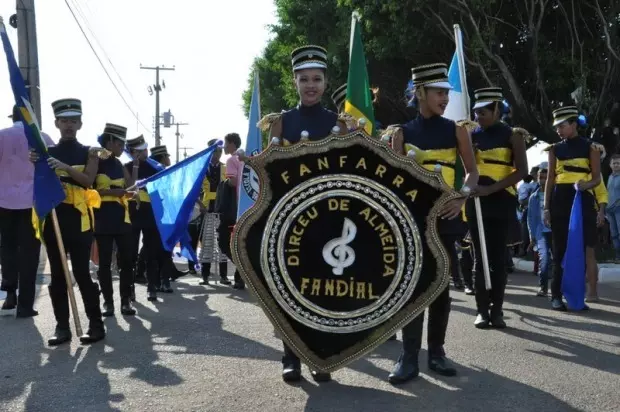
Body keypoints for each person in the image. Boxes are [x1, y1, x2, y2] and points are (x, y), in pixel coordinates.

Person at [256, 44, 347, 383]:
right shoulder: (280, 122)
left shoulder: (340, 122)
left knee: (323, 290)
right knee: (288, 290)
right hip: (288, 220)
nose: (311, 85)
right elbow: (267, 170)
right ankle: (290, 355)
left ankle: (320, 356)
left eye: (317, 79)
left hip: (328, 219)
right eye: (304, 79)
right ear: (294, 81)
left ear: (325, 82)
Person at [386, 62, 479, 384]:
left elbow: (472, 171)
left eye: (446, 92)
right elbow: (392, 179)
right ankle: (408, 357)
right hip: (411, 220)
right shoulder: (401, 132)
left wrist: (462, 196)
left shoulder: (456, 129)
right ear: (420, 93)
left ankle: (436, 353)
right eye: (439, 92)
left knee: (440, 287)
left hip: (446, 218)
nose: (444, 98)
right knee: (412, 287)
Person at [31, 98, 105, 345]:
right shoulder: (46, 153)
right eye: (64, 120)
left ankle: (96, 325)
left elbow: (87, 181)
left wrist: (63, 167)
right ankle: (62, 327)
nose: (69, 125)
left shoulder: (89, 152)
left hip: (80, 220)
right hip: (55, 219)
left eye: (73, 120)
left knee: (82, 273)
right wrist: (36, 163)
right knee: (59, 277)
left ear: (80, 123)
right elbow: (39, 183)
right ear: (56, 123)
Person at [466, 87, 528, 329]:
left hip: (501, 200)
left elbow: (522, 171)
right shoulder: (471, 135)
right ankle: (482, 310)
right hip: (476, 201)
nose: (478, 116)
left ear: (496, 110)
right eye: (475, 112)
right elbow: (465, 167)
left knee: (498, 258)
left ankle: (498, 310)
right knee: (479, 257)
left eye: (482, 112)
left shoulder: (513, 135)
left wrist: (491, 189)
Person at [544, 106, 602, 311]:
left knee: (580, 248)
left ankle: (577, 296)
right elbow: (550, 178)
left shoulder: (591, 147)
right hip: (560, 200)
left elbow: (597, 178)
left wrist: (586, 185)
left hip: (582, 201)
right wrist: (546, 207)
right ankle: (556, 295)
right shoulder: (554, 149)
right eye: (556, 126)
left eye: (562, 125)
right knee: (559, 250)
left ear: (574, 125)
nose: (559, 129)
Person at [0, 106, 55, 317]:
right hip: (33, 203)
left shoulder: (2, 135)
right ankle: (25, 305)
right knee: (30, 253)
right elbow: (53, 166)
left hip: (4, 202)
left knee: (8, 247)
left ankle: (10, 290)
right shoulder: (42, 137)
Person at [93, 123, 136, 316]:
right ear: (109, 141)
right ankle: (108, 302)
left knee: (126, 261)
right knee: (104, 263)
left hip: (122, 218)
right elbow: (89, 188)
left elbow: (130, 186)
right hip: (102, 217)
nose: (122, 148)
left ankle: (125, 301)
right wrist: (112, 191)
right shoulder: (95, 160)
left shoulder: (119, 164)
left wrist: (129, 193)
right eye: (120, 144)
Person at [125, 135, 174, 301]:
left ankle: (152, 286)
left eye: (145, 149)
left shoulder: (156, 168)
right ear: (132, 152)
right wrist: (136, 166)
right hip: (132, 213)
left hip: (151, 213)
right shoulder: (126, 167)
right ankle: (130, 288)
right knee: (130, 252)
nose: (144, 152)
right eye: (139, 151)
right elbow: (130, 187)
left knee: (151, 252)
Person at [197, 139, 230, 285]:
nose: (217, 154)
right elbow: (195, 191)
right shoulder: (202, 169)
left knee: (222, 243)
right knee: (207, 243)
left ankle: (223, 276)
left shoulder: (226, 168)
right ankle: (205, 275)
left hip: (222, 209)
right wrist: (200, 205)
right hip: (206, 209)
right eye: (215, 151)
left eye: (219, 151)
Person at [527, 166, 552, 296]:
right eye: (540, 178)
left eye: (545, 178)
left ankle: (559, 289)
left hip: (554, 232)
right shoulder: (533, 197)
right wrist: (532, 236)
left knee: (559, 260)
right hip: (540, 232)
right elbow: (530, 218)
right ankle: (543, 287)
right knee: (545, 259)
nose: (542, 180)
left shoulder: (555, 195)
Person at [606, 154, 620, 262]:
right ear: (610, 165)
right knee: (614, 234)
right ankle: (617, 256)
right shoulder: (610, 177)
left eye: (618, 163)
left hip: (618, 209)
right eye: (614, 163)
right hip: (609, 210)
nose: (616, 165)